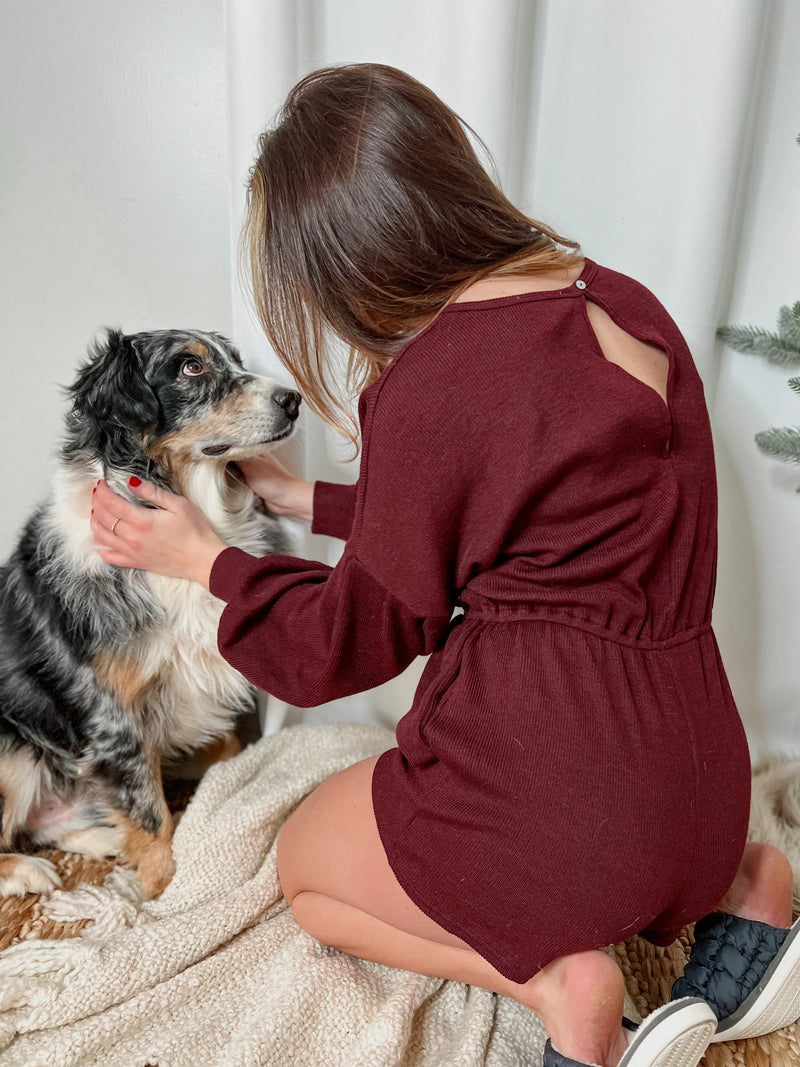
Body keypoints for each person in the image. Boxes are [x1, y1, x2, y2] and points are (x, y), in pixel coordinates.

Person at [90, 64, 800, 1067]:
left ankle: (557, 979)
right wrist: (313, 501)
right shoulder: (626, 305)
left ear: (344, 259)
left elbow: (343, 648)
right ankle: (743, 890)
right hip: (701, 782)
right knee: (661, 840)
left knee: (305, 866)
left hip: (568, 812)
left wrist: (208, 561)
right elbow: (533, 525)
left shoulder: (431, 385)